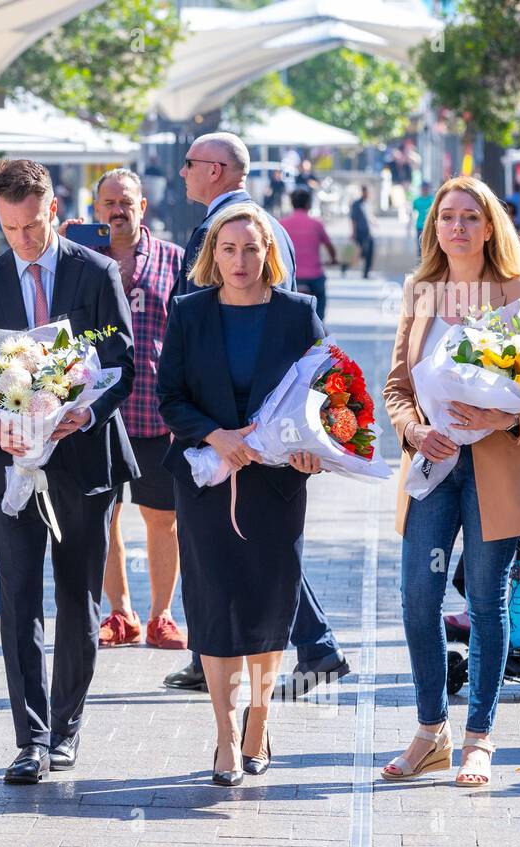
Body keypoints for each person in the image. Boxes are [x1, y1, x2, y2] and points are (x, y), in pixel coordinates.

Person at [0, 159, 136, 784]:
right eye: (10, 229)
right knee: (18, 602)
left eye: (32, 226)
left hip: (83, 461)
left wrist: (81, 416)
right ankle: (29, 739)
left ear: (52, 209)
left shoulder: (95, 272)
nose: (23, 241)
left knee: (78, 599)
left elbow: (123, 364)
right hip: (12, 469)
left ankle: (67, 728)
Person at [382, 175, 520, 787]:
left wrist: (502, 415)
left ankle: (480, 738)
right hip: (434, 468)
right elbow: (397, 386)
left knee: (486, 600)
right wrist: (412, 431)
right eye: (447, 217)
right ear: (434, 227)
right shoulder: (421, 292)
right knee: (418, 599)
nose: (457, 227)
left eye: (470, 217)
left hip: (497, 469)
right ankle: (431, 732)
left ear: (490, 227)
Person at [165, 131, 350, 698]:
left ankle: (281, 671)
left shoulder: (239, 230)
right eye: (228, 252)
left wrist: (310, 440)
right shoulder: (235, 241)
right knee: (227, 562)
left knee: (267, 562)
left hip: (270, 449)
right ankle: (229, 657)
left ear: (217, 169)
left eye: (190, 164)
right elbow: (176, 380)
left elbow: (315, 372)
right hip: (214, 446)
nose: (182, 174)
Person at [159, 204, 325, 786]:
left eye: (250, 249)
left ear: (268, 254)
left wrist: (317, 451)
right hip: (206, 479)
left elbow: (326, 400)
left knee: (267, 607)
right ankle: (226, 737)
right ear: (212, 256)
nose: (239, 260)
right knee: (213, 607)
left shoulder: (299, 315)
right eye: (228, 249)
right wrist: (216, 434)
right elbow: (170, 398)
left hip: (277, 485)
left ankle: (259, 716)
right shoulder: (189, 313)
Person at [63, 169, 187, 650]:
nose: (118, 211)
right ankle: (120, 613)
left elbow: (186, 338)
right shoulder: (80, 261)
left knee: (162, 518)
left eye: (126, 202)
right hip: (97, 415)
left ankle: (162, 615)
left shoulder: (173, 261)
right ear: (96, 210)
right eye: (108, 203)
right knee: (105, 517)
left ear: (143, 207)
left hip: (156, 416)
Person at [280, 186, 337, 319]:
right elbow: (329, 247)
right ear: (308, 203)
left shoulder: (281, 224)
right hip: (314, 278)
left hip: (290, 278)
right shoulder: (316, 224)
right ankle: (320, 330)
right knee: (320, 306)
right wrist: (333, 259)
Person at [350, 184, 376, 279]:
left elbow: (369, 216)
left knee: (370, 252)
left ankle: (366, 273)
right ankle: (345, 265)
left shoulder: (368, 203)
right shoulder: (356, 204)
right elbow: (353, 219)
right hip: (360, 232)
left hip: (369, 232)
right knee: (362, 252)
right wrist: (353, 232)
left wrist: (374, 223)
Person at [412, 182, 434, 254]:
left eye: (426, 189)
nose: (425, 190)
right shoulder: (416, 201)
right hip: (420, 225)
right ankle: (420, 263)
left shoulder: (433, 200)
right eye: (423, 189)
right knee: (420, 245)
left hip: (430, 226)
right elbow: (412, 213)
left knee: (429, 245)